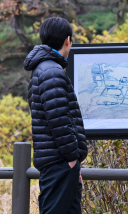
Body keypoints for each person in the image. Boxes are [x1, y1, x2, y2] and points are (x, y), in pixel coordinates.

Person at [24, 17, 88, 214]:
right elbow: (59, 120)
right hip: (59, 162)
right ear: (67, 40)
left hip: (56, 161)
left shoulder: (43, 69)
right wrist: (71, 160)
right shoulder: (52, 71)